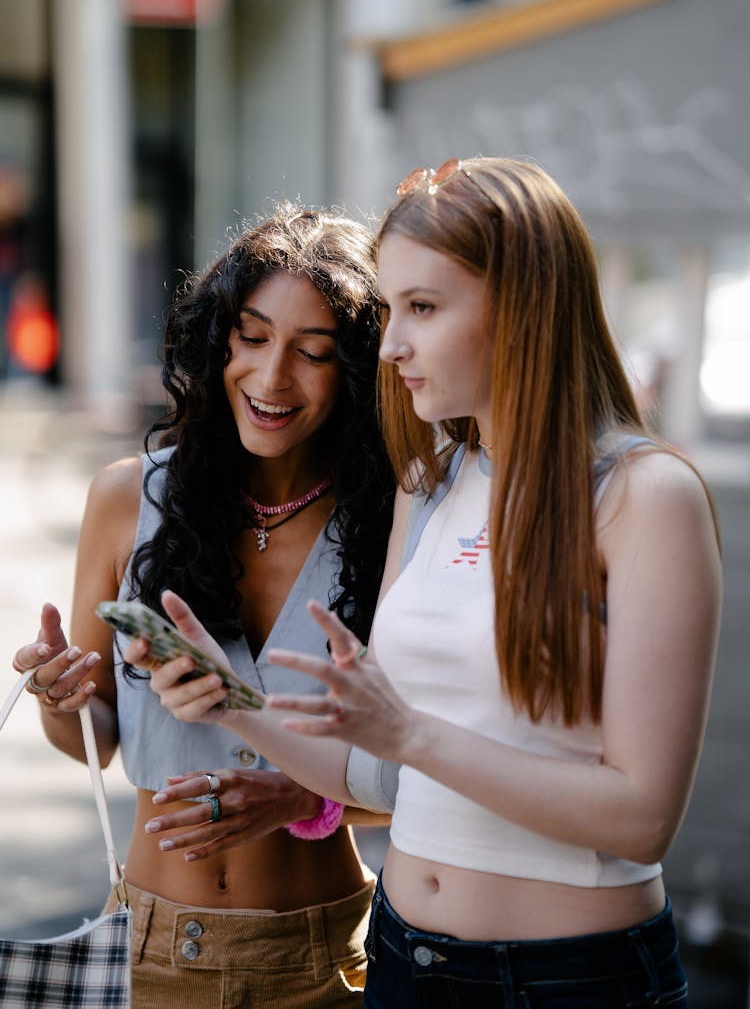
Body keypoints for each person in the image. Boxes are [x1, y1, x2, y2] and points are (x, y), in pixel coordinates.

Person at [127, 158, 721, 1008]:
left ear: (522, 307)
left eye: (424, 308)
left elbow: (641, 815)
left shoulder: (644, 496)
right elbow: (376, 775)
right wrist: (227, 700)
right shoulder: (430, 482)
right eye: (393, 307)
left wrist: (407, 733)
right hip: (406, 962)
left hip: (568, 977)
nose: (393, 342)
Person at [11, 203, 395, 1008]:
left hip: (325, 959)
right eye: (250, 338)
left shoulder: (391, 520)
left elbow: (425, 764)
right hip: (150, 952)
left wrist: (306, 795)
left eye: (313, 352)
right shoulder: (128, 498)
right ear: (217, 339)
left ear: (357, 369)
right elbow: (96, 741)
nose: (270, 377)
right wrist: (63, 696)